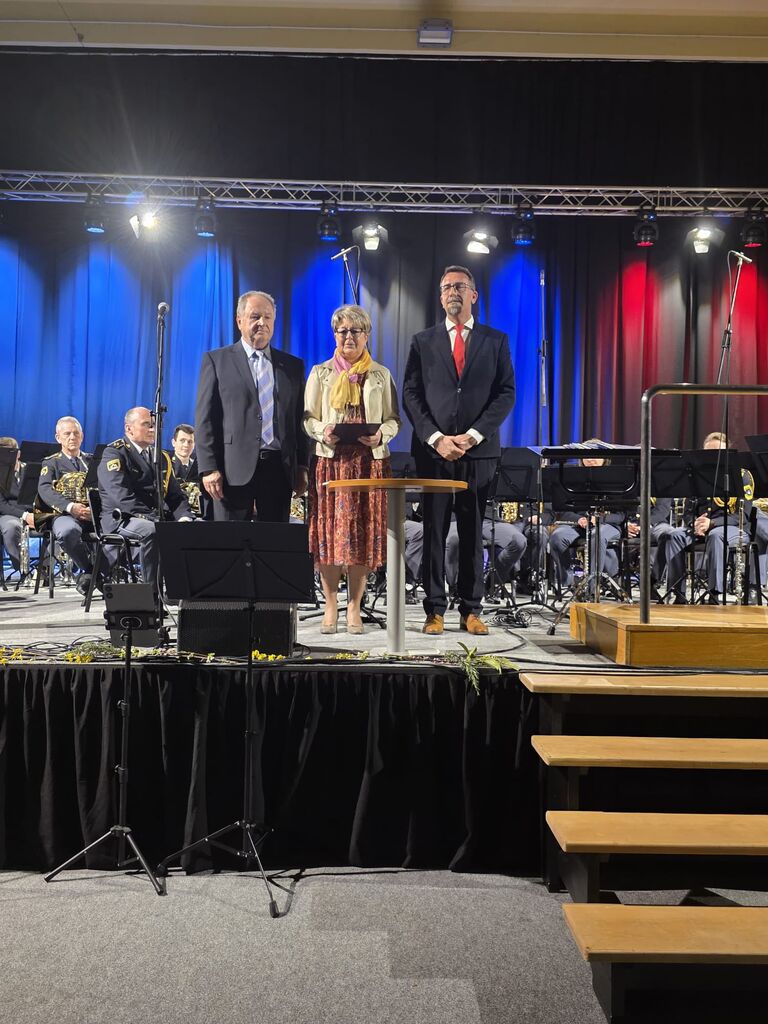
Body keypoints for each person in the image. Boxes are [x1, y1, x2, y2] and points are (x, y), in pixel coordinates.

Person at [402, 265, 515, 635]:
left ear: (473, 295)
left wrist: (474, 435)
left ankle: (471, 610)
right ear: (440, 297)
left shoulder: (496, 340)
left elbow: (506, 394)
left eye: (460, 286)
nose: (453, 291)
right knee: (433, 531)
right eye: (447, 286)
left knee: (472, 530)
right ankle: (434, 610)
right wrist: (437, 438)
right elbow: (411, 395)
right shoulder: (423, 341)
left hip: (478, 453)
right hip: (434, 453)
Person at [304, 304, 400, 634]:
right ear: (334, 335)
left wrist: (381, 434)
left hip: (369, 463)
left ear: (366, 335)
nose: (348, 337)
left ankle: (354, 606)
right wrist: (323, 431)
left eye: (355, 331)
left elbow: (393, 419)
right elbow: (308, 418)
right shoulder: (320, 373)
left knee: (362, 537)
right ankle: (331, 605)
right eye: (342, 331)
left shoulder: (380, 374)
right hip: (331, 463)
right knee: (330, 536)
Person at [195, 290, 309, 522]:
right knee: (230, 541)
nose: (262, 323)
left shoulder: (292, 366)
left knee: (274, 540)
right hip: (231, 470)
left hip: (279, 470)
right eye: (255, 317)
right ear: (239, 321)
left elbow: (300, 421)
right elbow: (205, 419)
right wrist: (208, 467)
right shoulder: (217, 361)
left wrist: (302, 467)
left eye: (268, 317)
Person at [98, 407, 193, 590]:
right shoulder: (115, 453)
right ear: (129, 428)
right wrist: (154, 518)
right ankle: (152, 594)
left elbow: (175, 496)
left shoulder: (161, 457)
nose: (152, 429)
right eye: (146, 425)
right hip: (123, 518)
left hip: (153, 517)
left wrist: (184, 517)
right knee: (153, 531)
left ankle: (184, 591)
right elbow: (122, 497)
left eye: (154, 425)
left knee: (196, 527)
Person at [654, 431, 752, 604]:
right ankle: (678, 593)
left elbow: (743, 515)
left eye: (718, 452)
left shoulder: (741, 475)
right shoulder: (696, 475)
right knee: (673, 535)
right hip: (701, 526)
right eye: (708, 453)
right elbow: (687, 510)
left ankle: (715, 593)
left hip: (734, 528)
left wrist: (712, 523)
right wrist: (694, 523)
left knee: (715, 535)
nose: (712, 457)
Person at [34, 416, 97, 595]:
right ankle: (91, 570)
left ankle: (100, 573)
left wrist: (93, 510)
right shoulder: (51, 462)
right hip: (64, 514)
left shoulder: (92, 461)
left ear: (82, 436)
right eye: (67, 433)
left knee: (119, 529)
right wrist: (70, 507)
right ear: (58, 437)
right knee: (67, 532)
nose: (72, 437)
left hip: (92, 513)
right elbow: (45, 490)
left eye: (76, 433)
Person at [548, 452, 624, 594]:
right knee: (557, 537)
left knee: (597, 535)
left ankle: (592, 588)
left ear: (605, 459)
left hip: (607, 525)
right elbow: (563, 510)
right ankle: (568, 582)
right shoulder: (573, 479)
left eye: (595, 456)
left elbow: (620, 515)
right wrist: (579, 519)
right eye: (587, 456)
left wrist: (599, 519)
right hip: (580, 525)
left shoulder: (615, 479)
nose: (590, 460)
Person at [0, 437, 34, 575]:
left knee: (56, 523)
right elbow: (2, 505)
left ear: (18, 453)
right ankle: (23, 571)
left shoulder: (31, 469)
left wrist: (35, 514)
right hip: (9, 514)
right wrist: (25, 516)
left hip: (33, 512)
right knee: (11, 528)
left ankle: (44, 570)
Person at [169, 423, 203, 518]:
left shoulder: (200, 465)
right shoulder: (165, 463)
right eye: (182, 440)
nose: (186, 445)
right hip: (174, 515)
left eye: (190, 441)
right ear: (173, 442)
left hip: (198, 515)